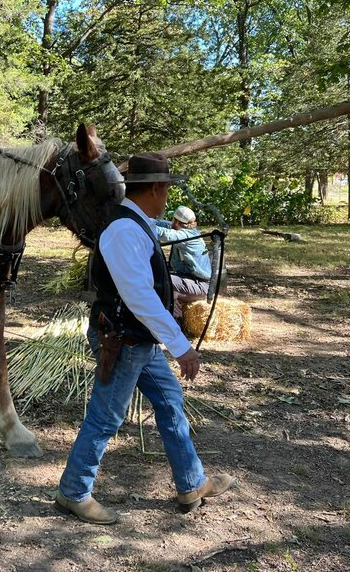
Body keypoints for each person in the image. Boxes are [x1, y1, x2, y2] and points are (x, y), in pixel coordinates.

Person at [55, 153, 234, 525]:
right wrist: (181, 346)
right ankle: (73, 492)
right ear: (155, 188)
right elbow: (139, 296)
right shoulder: (123, 230)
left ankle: (191, 483)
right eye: (166, 190)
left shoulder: (136, 224)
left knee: (170, 401)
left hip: (138, 341)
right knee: (105, 418)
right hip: (123, 341)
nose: (167, 198)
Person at [155, 206, 211, 321]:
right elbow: (162, 224)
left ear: (176, 221)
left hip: (201, 286)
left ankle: (176, 318)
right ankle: (174, 306)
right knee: (165, 282)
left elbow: (164, 233)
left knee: (162, 278)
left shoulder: (185, 236)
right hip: (192, 281)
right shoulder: (186, 230)